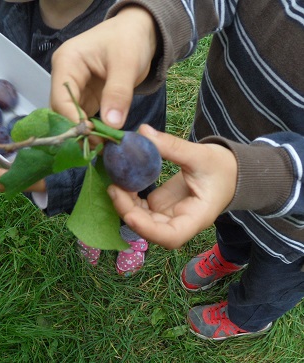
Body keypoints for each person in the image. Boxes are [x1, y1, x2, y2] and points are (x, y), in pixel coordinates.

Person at [49, 1, 304, 341]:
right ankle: (230, 256)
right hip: (218, 154)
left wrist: (256, 174)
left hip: (293, 232)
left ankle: (246, 318)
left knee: (271, 283)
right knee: (230, 229)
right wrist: (148, 25)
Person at [0, 0, 168, 276]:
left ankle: (131, 235)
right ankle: (92, 223)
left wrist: (50, 182)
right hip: (56, 151)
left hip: (113, 165)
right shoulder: (1, 4)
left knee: (128, 202)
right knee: (89, 207)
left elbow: (134, 154)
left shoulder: (127, 50)